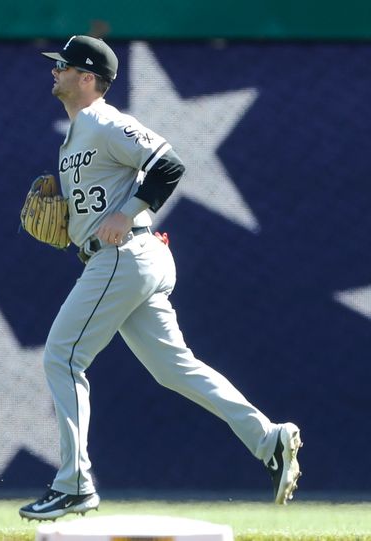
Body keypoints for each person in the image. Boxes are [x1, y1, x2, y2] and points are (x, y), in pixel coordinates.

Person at [18, 35, 302, 521]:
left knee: (62, 356)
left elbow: (168, 164)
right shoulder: (76, 137)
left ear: (88, 78)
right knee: (174, 368)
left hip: (124, 255)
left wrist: (127, 213)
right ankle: (267, 438)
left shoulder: (104, 121)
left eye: (64, 66)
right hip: (124, 258)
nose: (55, 72)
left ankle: (75, 484)